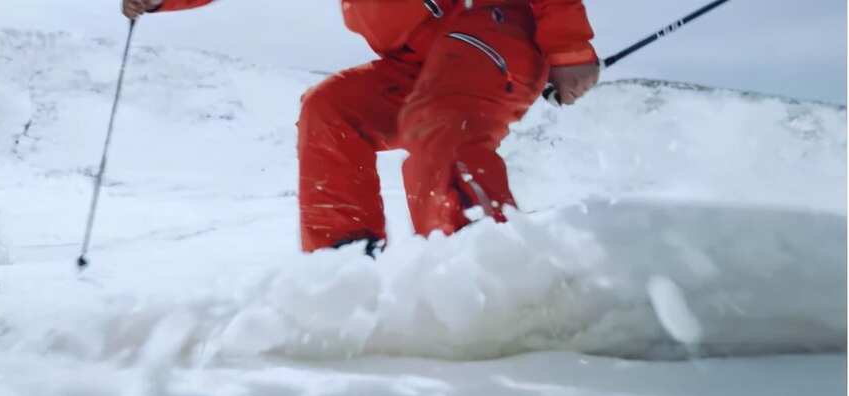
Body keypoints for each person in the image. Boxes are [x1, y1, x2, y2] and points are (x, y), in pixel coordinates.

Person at [122, 0, 599, 255]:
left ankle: (486, 268)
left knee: (438, 118)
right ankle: (346, 269)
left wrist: (570, 49)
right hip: (419, 61)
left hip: (490, 28)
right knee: (330, 109)